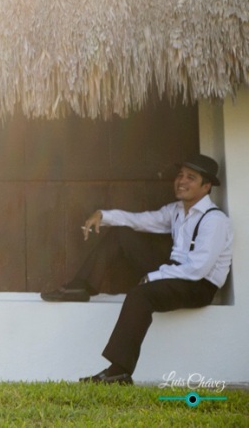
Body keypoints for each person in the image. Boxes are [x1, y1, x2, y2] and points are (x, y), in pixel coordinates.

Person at [40, 154, 233, 385]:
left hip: (199, 286)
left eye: (191, 177)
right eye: (180, 175)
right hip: (174, 272)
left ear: (206, 186)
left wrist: (154, 276)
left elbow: (198, 269)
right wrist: (104, 215)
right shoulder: (176, 210)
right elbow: (141, 220)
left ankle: (119, 372)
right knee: (121, 233)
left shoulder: (215, 220)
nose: (181, 181)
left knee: (140, 296)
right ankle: (80, 287)